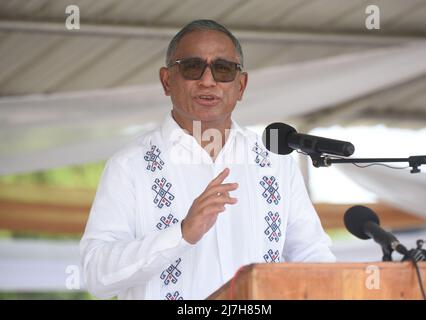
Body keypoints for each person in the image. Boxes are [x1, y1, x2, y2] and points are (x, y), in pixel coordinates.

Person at [80, 19, 335, 300]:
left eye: (223, 69)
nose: (208, 80)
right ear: (167, 80)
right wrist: (180, 235)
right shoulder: (130, 166)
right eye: (192, 67)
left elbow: (313, 258)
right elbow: (96, 274)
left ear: (241, 85)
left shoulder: (275, 163)